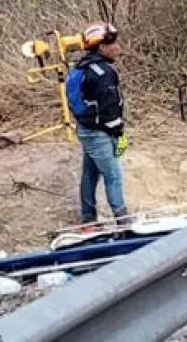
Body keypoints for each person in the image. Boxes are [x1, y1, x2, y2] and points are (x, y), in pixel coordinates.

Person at [67, 22, 130, 226]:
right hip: (98, 132)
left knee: (90, 175)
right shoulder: (103, 73)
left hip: (86, 129)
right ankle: (123, 221)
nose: (117, 46)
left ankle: (88, 220)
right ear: (101, 47)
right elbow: (109, 107)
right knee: (113, 175)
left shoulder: (83, 67)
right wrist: (118, 132)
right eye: (112, 42)